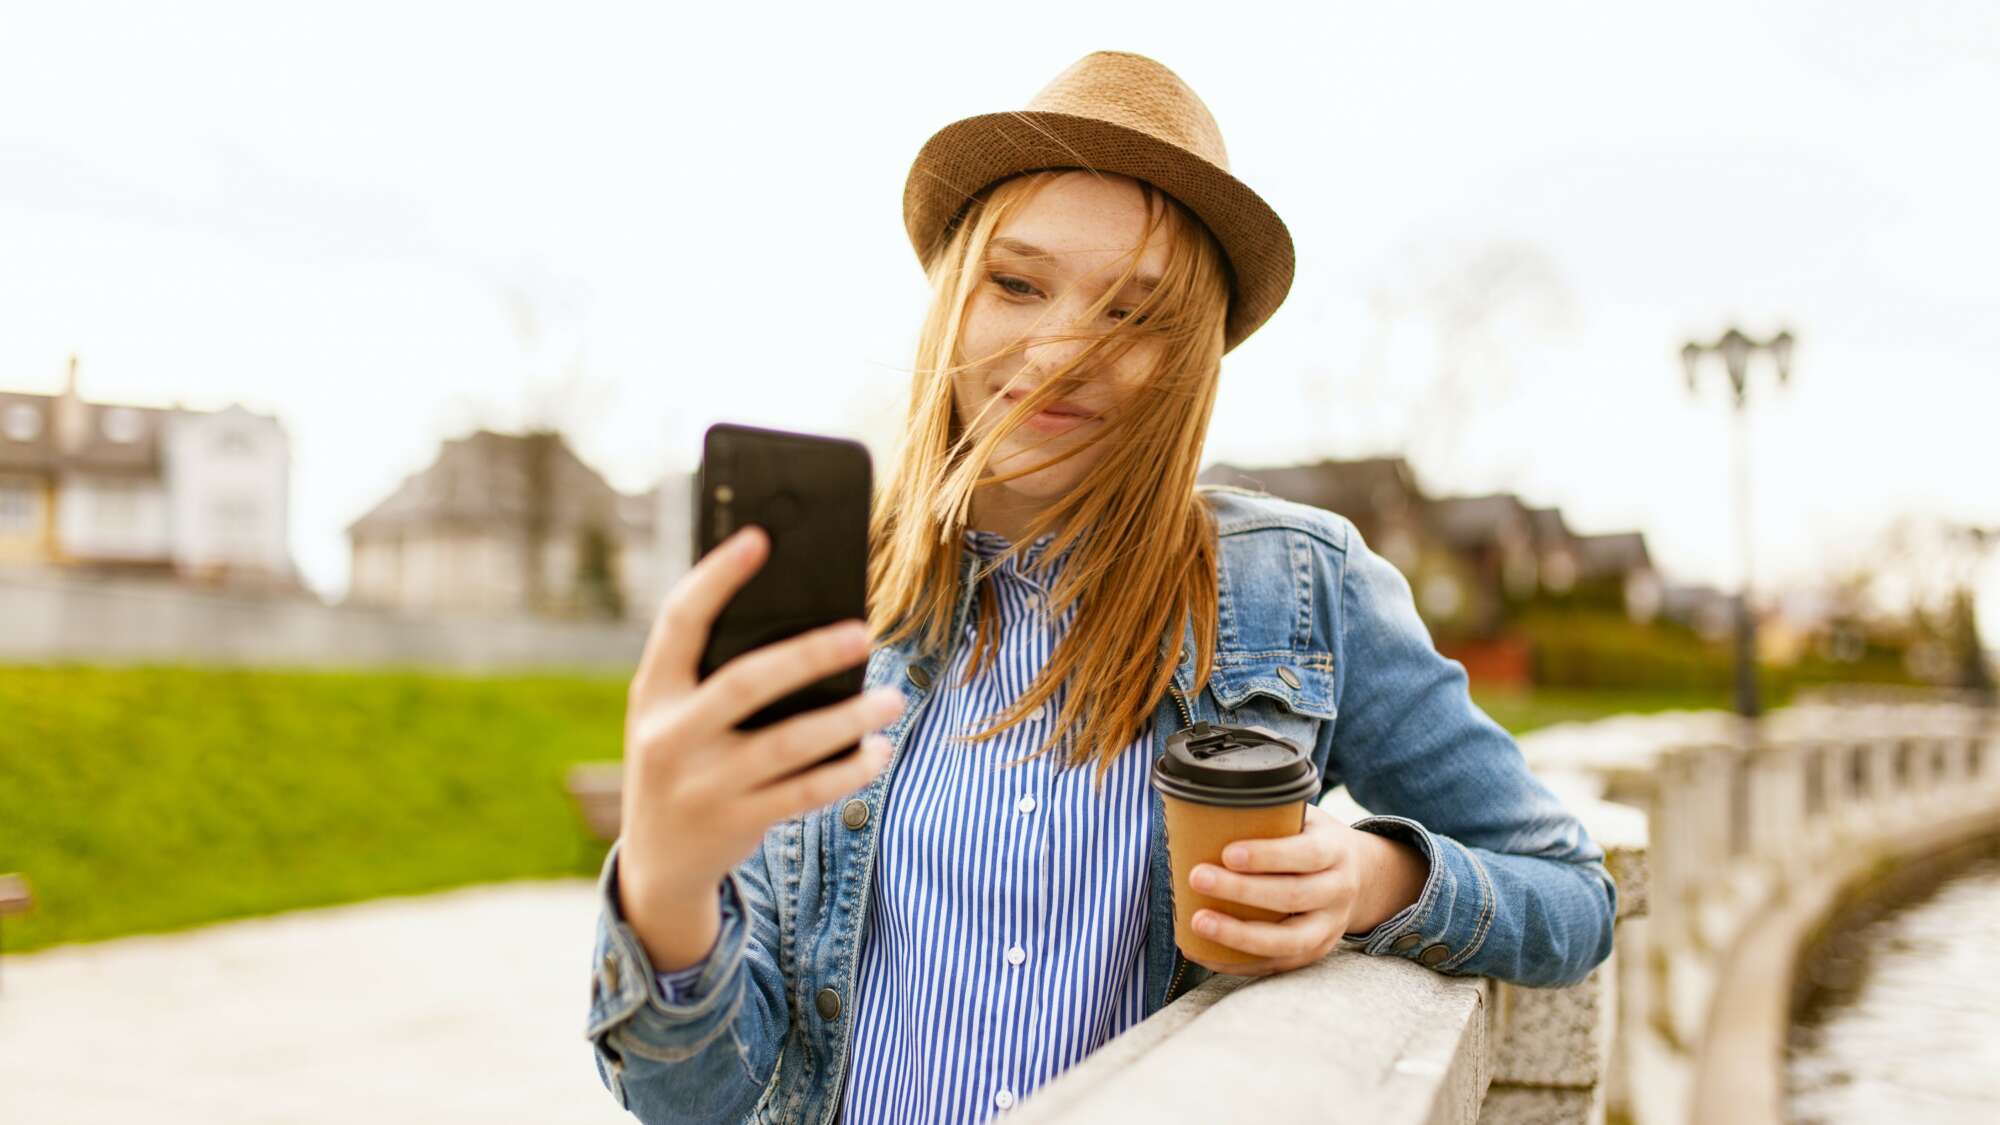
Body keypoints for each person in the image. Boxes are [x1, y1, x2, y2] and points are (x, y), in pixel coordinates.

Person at [584, 49, 1616, 1125]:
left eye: (1135, 313)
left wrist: (1373, 882)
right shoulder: (824, 608)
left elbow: (1570, 895)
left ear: (1193, 359)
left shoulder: (1302, 589)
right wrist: (663, 887)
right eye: (1016, 283)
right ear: (951, 298)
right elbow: (695, 1101)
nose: (1062, 349)